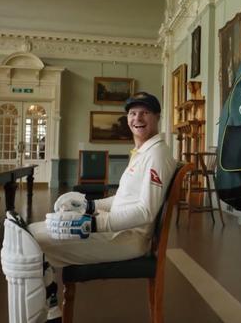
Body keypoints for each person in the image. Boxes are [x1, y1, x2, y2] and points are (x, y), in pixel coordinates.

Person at [28, 92, 177, 322]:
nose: (137, 118)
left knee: (32, 243)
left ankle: (48, 311)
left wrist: (93, 223)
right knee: (31, 232)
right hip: (118, 230)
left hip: (128, 239)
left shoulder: (156, 154)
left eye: (145, 112)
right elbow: (123, 199)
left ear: (157, 117)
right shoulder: (143, 151)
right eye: (132, 113)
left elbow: (145, 212)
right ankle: (50, 304)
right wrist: (88, 206)